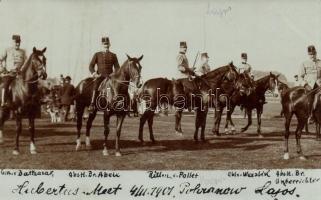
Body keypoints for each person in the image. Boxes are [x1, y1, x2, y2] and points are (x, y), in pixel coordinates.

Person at [88, 36, 120, 113]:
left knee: (117, 87)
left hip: (110, 77)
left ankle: (118, 103)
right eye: (104, 44)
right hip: (100, 76)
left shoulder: (113, 55)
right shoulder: (97, 54)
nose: (106, 45)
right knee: (95, 86)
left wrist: (114, 74)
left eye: (107, 43)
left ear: (109, 44)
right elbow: (91, 66)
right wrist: (94, 73)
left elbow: (117, 67)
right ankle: (92, 104)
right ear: (102, 45)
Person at [0, 34, 27, 107]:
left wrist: (22, 70)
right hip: (9, 74)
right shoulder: (7, 50)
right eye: (16, 42)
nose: (17, 44)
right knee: (5, 85)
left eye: (19, 42)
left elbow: (26, 62)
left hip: (20, 75)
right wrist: (2, 68)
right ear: (12, 42)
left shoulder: (23, 52)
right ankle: (3, 102)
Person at [299, 45, 321, 123]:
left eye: (313, 54)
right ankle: (311, 116)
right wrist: (305, 84)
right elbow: (300, 77)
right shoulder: (304, 63)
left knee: (318, 97)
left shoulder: (320, 62)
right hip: (309, 86)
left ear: (316, 53)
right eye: (310, 54)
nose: (312, 56)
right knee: (309, 99)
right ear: (308, 54)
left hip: (319, 85)